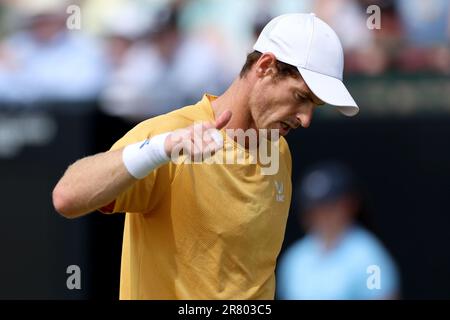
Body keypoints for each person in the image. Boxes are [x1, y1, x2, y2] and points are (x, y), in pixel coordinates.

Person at [52, 13, 359, 299]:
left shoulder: (279, 150)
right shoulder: (170, 134)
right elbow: (67, 196)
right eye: (301, 97)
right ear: (265, 66)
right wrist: (161, 149)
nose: (306, 119)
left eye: (314, 106)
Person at [277, 161, 400, 300]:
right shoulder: (295, 258)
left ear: (349, 205)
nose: (323, 215)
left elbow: (383, 296)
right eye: (315, 209)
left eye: (330, 207)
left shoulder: (369, 255)